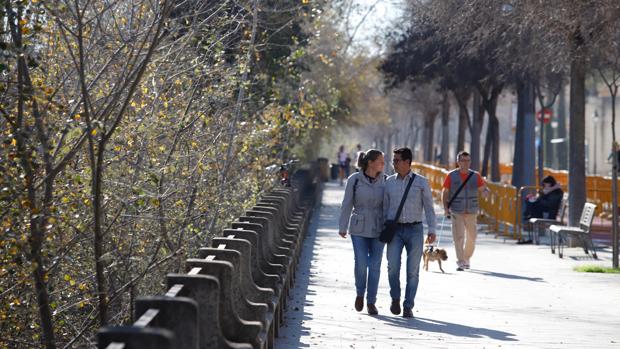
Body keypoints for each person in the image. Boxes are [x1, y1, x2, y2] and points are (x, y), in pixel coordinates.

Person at [384, 147, 436, 318]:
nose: (394, 164)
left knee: (413, 271)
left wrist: (432, 229)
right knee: (392, 267)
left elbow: (429, 207)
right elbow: (385, 207)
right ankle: (395, 298)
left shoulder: (421, 182)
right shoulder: (389, 182)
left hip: (415, 229)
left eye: (397, 160)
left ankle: (408, 305)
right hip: (395, 230)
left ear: (407, 162)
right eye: (393, 161)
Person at [338, 149, 386, 315]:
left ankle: (371, 301)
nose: (383, 164)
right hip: (359, 226)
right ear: (370, 162)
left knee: (375, 266)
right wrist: (342, 226)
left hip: (379, 228)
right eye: (380, 160)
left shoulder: (386, 180)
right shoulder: (355, 180)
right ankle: (360, 293)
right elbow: (347, 204)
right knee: (361, 263)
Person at [441, 151, 489, 271]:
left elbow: (483, 189)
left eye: (468, 161)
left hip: (472, 210)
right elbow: (445, 192)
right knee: (459, 237)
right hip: (456, 210)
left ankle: (467, 257)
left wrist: (485, 192)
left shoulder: (475, 176)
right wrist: (446, 208)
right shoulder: (451, 175)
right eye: (463, 160)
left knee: (472, 237)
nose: (466, 163)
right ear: (458, 162)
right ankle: (461, 261)